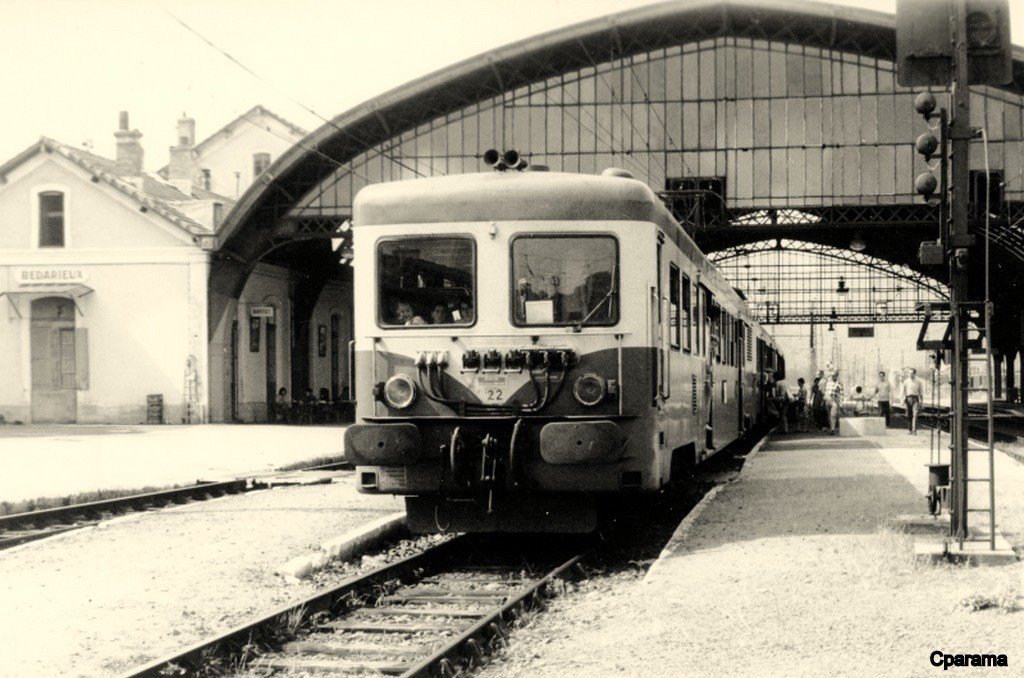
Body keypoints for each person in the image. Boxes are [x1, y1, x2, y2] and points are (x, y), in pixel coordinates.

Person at [900, 367, 925, 435]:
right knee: (908, 415)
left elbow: (921, 392)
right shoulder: (906, 381)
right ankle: (910, 429)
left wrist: (921, 401)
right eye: (909, 373)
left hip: (915, 398)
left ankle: (914, 430)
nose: (910, 374)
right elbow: (902, 391)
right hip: (908, 398)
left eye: (911, 373)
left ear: (914, 373)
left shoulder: (918, 381)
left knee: (915, 414)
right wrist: (902, 400)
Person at [822, 370, 844, 435]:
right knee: (828, 415)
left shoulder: (839, 384)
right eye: (832, 376)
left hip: (834, 400)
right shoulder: (828, 383)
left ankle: (833, 429)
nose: (833, 377)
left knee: (833, 415)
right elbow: (825, 392)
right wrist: (823, 400)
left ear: (837, 376)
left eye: (834, 376)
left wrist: (841, 402)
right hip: (827, 399)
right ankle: (830, 428)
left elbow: (842, 393)